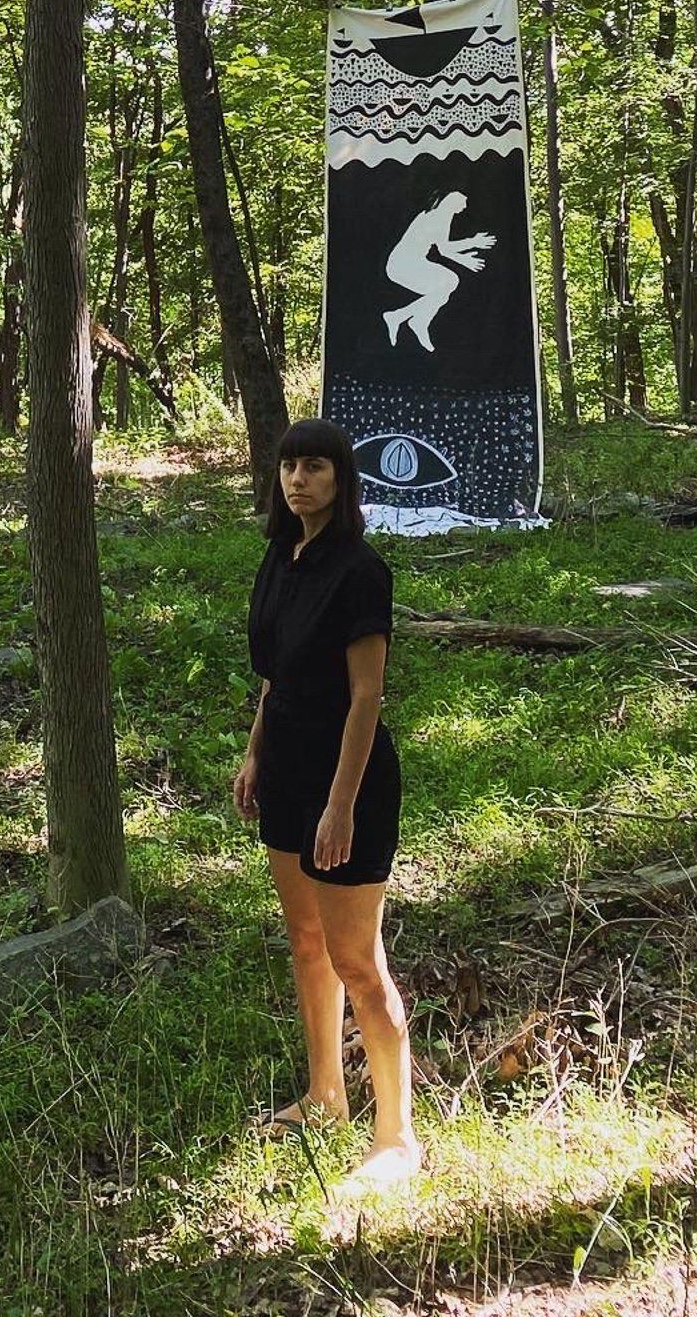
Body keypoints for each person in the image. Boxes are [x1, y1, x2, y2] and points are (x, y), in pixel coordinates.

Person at [232, 417, 421, 1187]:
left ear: (341, 479)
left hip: (348, 785)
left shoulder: (360, 571)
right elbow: (273, 676)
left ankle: (397, 1138)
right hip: (284, 772)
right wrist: (253, 753)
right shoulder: (281, 557)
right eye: (288, 466)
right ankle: (324, 1095)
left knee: (358, 961)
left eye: (314, 466)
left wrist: (340, 806)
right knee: (306, 942)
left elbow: (366, 697)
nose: (298, 479)